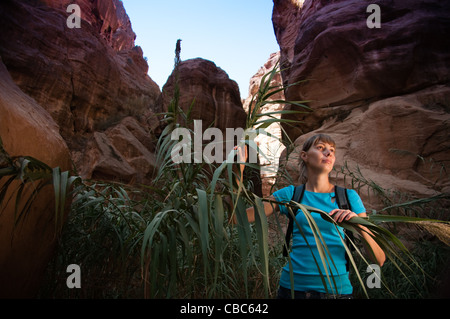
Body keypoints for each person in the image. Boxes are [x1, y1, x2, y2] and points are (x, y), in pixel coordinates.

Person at [233, 133, 385, 299]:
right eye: (320, 148)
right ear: (304, 156)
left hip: (337, 292)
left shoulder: (349, 198)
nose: (328, 153)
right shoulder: (291, 194)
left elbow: (379, 259)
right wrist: (237, 170)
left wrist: (358, 224)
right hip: (291, 290)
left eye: (332, 150)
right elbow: (237, 218)